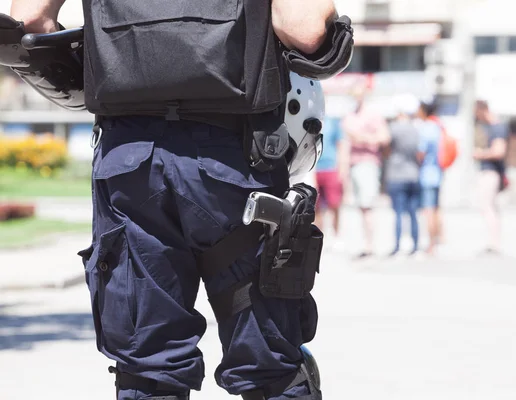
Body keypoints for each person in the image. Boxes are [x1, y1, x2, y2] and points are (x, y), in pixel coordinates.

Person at [10, 1, 340, 400]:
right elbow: (304, 30)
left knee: (149, 368)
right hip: (234, 158)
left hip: (129, 161)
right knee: (271, 367)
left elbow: (29, 22)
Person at [342, 91, 391, 259]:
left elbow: (384, 138)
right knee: (361, 207)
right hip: (354, 164)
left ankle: (370, 245)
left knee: (368, 205)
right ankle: (366, 243)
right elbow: (347, 140)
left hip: (368, 163)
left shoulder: (373, 115)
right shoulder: (350, 116)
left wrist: (363, 138)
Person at [383, 95, 421, 257]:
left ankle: (398, 245)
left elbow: (386, 149)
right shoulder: (416, 128)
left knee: (398, 212)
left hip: (396, 174)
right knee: (413, 212)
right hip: (413, 174)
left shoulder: (393, 128)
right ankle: (415, 246)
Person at [473, 100, 508, 255]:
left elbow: (499, 151)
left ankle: (494, 243)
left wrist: (480, 154)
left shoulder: (497, 128)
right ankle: (493, 242)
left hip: (490, 172)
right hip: (492, 172)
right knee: (490, 207)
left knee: (487, 207)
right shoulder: (493, 127)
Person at [314, 116, 348, 250]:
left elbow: (341, 145)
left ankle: (336, 235)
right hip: (314, 168)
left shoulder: (333, 122)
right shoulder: (310, 121)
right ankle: (318, 236)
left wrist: (343, 169)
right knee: (315, 207)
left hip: (331, 167)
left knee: (334, 204)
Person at [415, 100, 443, 256]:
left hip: (427, 174)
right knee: (437, 209)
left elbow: (421, 153)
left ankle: (431, 245)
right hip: (438, 173)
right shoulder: (437, 127)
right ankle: (438, 240)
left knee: (429, 211)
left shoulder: (425, 129)